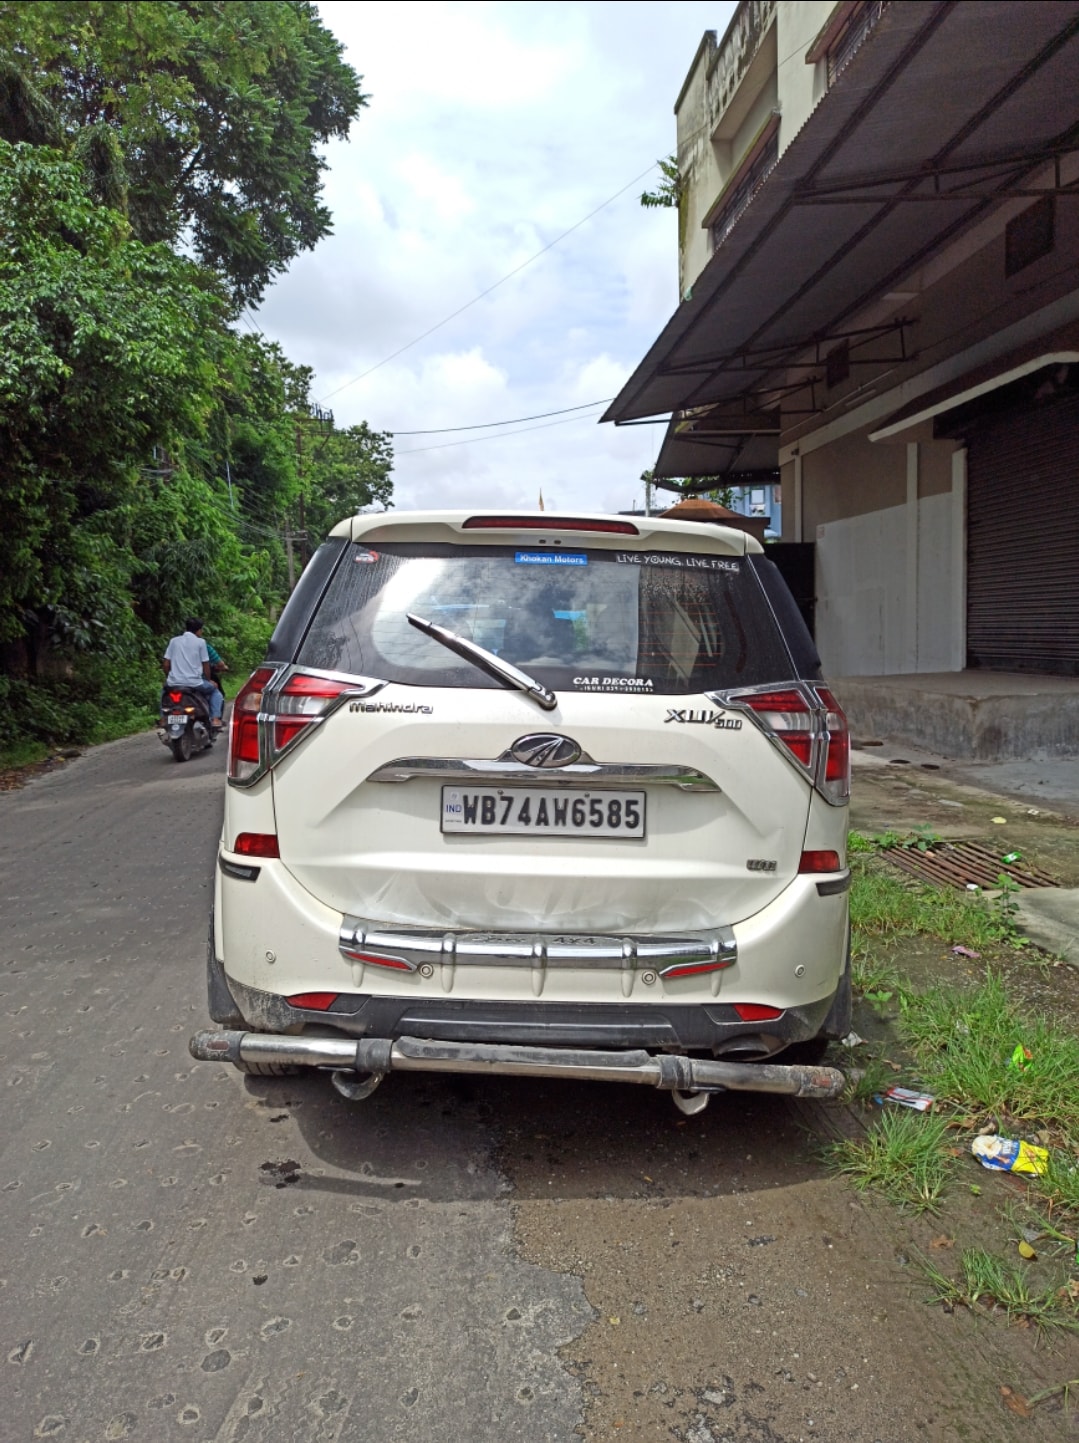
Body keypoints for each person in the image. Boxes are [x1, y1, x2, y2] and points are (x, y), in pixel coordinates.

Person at [162, 618, 225, 730]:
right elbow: (205, 664)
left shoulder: (174, 641)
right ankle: (215, 718)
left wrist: (171, 677)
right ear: (199, 631)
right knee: (216, 692)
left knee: (164, 693)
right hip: (195, 683)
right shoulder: (201, 642)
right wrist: (208, 679)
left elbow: (166, 665)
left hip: (174, 683)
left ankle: (163, 718)